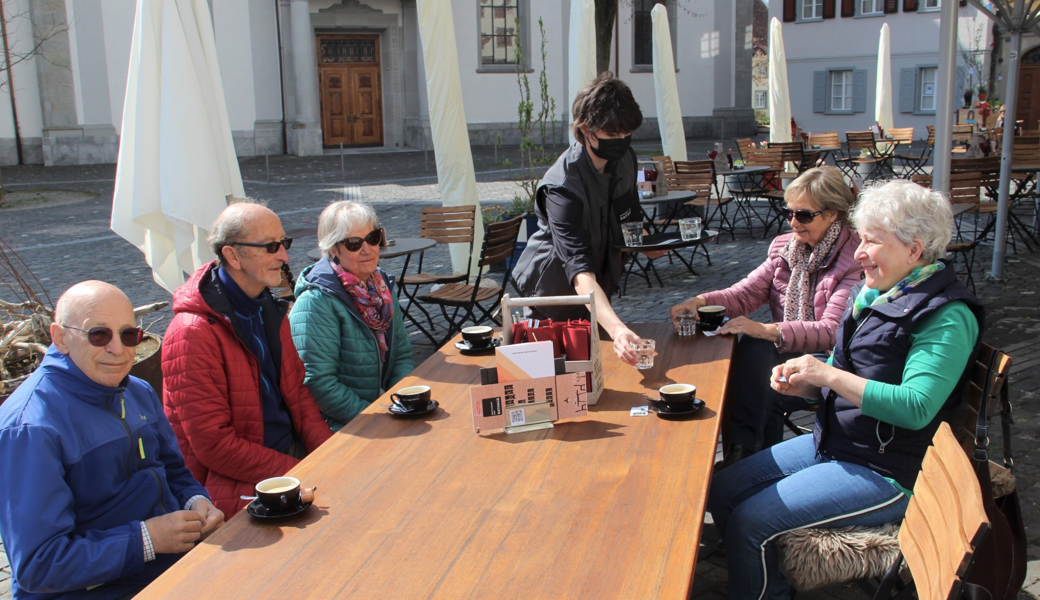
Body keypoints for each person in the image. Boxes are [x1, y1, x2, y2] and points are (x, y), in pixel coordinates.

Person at [707, 179, 984, 599]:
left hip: (891, 470)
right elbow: (845, 365)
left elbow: (915, 407)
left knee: (750, 521)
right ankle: (764, 580)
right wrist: (807, 385)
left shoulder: (946, 316)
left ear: (914, 248)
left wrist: (827, 376)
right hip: (840, 443)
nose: (858, 252)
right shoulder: (877, 293)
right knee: (722, 489)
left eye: (872, 241)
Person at [0, 281, 223, 599]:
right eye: (99, 335)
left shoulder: (137, 390)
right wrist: (146, 539)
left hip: (170, 567)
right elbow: (38, 565)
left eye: (129, 335)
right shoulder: (30, 428)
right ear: (60, 337)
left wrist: (196, 501)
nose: (118, 349)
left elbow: (174, 472)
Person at [670, 166, 862, 467]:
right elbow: (745, 294)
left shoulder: (854, 259)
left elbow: (831, 330)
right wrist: (700, 300)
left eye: (804, 215)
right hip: (788, 353)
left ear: (833, 213)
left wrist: (767, 330)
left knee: (759, 364)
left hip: (829, 363)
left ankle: (745, 460)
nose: (794, 223)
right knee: (753, 357)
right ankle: (747, 458)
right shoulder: (786, 249)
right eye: (790, 213)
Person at [162, 201, 333, 516]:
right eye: (270, 247)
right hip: (230, 481)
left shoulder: (267, 305)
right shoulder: (192, 332)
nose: (284, 256)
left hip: (284, 455)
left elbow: (298, 394)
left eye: (284, 243)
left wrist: (330, 455)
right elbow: (214, 446)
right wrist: (298, 471)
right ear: (232, 255)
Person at [512, 73, 664, 365]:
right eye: (612, 135)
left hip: (596, 294)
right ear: (586, 129)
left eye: (626, 135)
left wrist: (652, 243)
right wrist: (617, 328)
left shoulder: (625, 159)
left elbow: (629, 220)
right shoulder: (562, 186)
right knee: (555, 380)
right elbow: (578, 267)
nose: (621, 142)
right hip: (550, 299)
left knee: (592, 376)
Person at [289, 201, 414, 430]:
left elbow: (403, 356)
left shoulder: (382, 289)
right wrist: (376, 419)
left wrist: (399, 402)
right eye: (354, 243)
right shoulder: (316, 302)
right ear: (333, 248)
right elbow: (318, 383)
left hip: (385, 412)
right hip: (341, 426)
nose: (367, 249)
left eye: (373, 238)